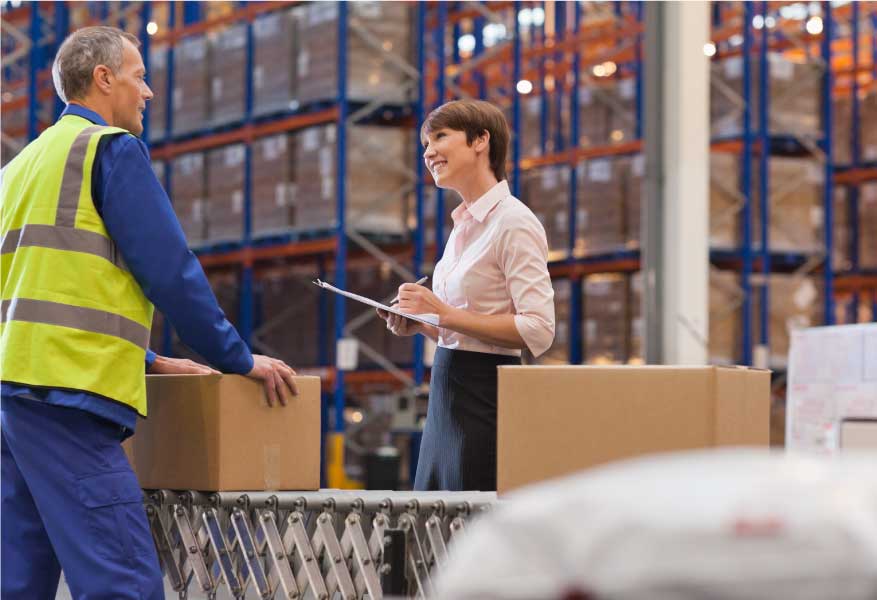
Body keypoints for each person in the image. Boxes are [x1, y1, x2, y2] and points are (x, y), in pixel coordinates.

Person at [1, 27, 297, 599]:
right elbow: (171, 272)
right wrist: (236, 358)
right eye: (139, 76)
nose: (149, 92)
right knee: (123, 581)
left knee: (22, 581)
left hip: (17, 397)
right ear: (103, 79)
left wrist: (149, 359)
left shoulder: (22, 166)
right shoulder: (109, 150)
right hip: (69, 398)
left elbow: (35, 290)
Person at [377, 99, 555, 491]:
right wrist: (422, 325)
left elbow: (539, 330)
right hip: (446, 392)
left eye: (440, 136)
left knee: (466, 529)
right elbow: (461, 331)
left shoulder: (514, 222)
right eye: (425, 143)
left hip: (484, 399)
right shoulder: (463, 226)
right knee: (433, 530)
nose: (428, 151)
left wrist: (443, 313)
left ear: (480, 140)